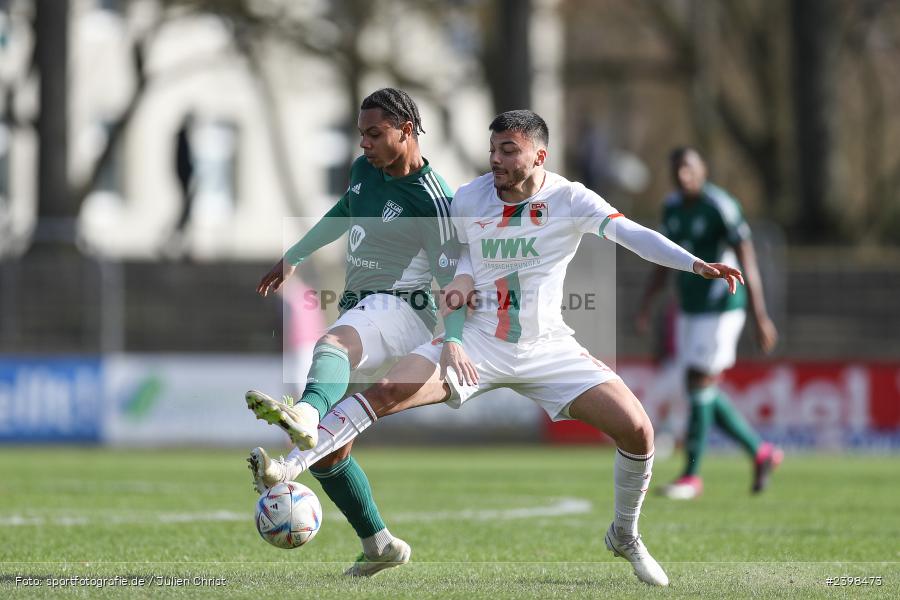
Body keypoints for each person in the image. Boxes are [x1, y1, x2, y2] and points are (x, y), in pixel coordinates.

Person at [248, 110, 746, 587]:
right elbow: (458, 274)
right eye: (492, 150)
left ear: (539, 156)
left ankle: (624, 534)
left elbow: (631, 234)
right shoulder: (469, 199)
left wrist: (695, 264)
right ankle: (287, 468)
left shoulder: (570, 199)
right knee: (381, 395)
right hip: (479, 343)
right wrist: (454, 338)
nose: (497, 160)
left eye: (509, 150)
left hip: (547, 347)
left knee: (638, 430)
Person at [248, 88, 460, 577]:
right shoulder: (366, 171)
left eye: (373, 133)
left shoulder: (434, 199)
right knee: (330, 453)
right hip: (366, 306)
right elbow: (345, 211)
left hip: (405, 310)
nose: (363, 144)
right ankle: (380, 544)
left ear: (406, 131)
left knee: (332, 343)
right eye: (360, 133)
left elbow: (452, 281)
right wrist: (294, 255)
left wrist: (455, 340)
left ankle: (303, 411)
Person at [635, 146, 782, 500]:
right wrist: (647, 303)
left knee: (698, 379)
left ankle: (692, 476)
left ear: (702, 170)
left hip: (722, 306)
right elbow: (661, 257)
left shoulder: (720, 206)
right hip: (689, 308)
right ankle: (760, 452)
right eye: (676, 170)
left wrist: (760, 317)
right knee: (701, 389)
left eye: (688, 168)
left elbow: (748, 259)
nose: (682, 176)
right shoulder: (671, 207)